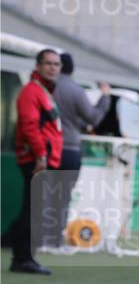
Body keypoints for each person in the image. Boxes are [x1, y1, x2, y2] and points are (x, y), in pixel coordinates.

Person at [9, 48, 63, 275]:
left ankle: (22, 257)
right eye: (48, 63)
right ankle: (22, 259)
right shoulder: (31, 91)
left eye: (56, 64)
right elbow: (30, 127)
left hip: (43, 159)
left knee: (34, 210)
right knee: (32, 211)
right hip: (36, 159)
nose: (53, 67)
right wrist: (41, 156)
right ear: (38, 65)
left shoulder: (43, 91)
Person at [50, 52, 112, 248]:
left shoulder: (45, 87)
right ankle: (53, 240)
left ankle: (36, 238)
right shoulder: (75, 90)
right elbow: (93, 118)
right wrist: (105, 97)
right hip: (69, 150)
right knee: (62, 197)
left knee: (42, 195)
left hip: (46, 149)